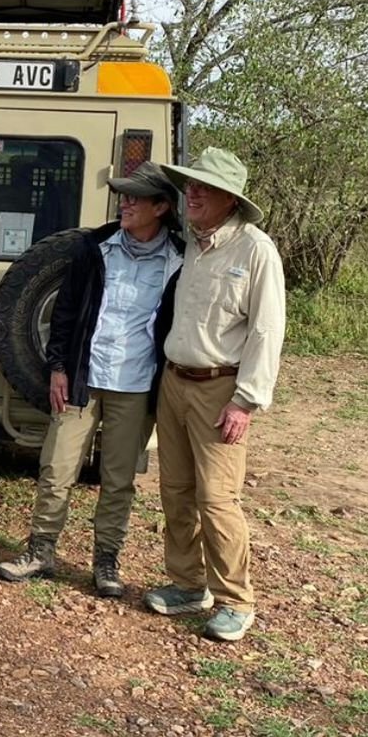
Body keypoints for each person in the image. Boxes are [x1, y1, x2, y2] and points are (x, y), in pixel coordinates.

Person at [0, 162, 184, 597]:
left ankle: (106, 561)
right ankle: (40, 551)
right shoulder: (94, 247)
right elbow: (64, 314)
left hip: (136, 386)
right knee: (56, 468)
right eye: (124, 195)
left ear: (161, 206)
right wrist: (58, 368)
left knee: (117, 479)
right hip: (84, 377)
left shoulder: (179, 258)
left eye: (136, 197)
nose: (126, 203)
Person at [142, 147, 285, 641]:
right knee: (175, 491)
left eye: (204, 187)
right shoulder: (193, 246)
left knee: (218, 498)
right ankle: (187, 584)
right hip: (175, 381)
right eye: (190, 185)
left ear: (231, 198)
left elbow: (267, 331)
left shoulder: (254, 249)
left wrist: (246, 400)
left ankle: (236, 601)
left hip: (220, 388)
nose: (192, 193)